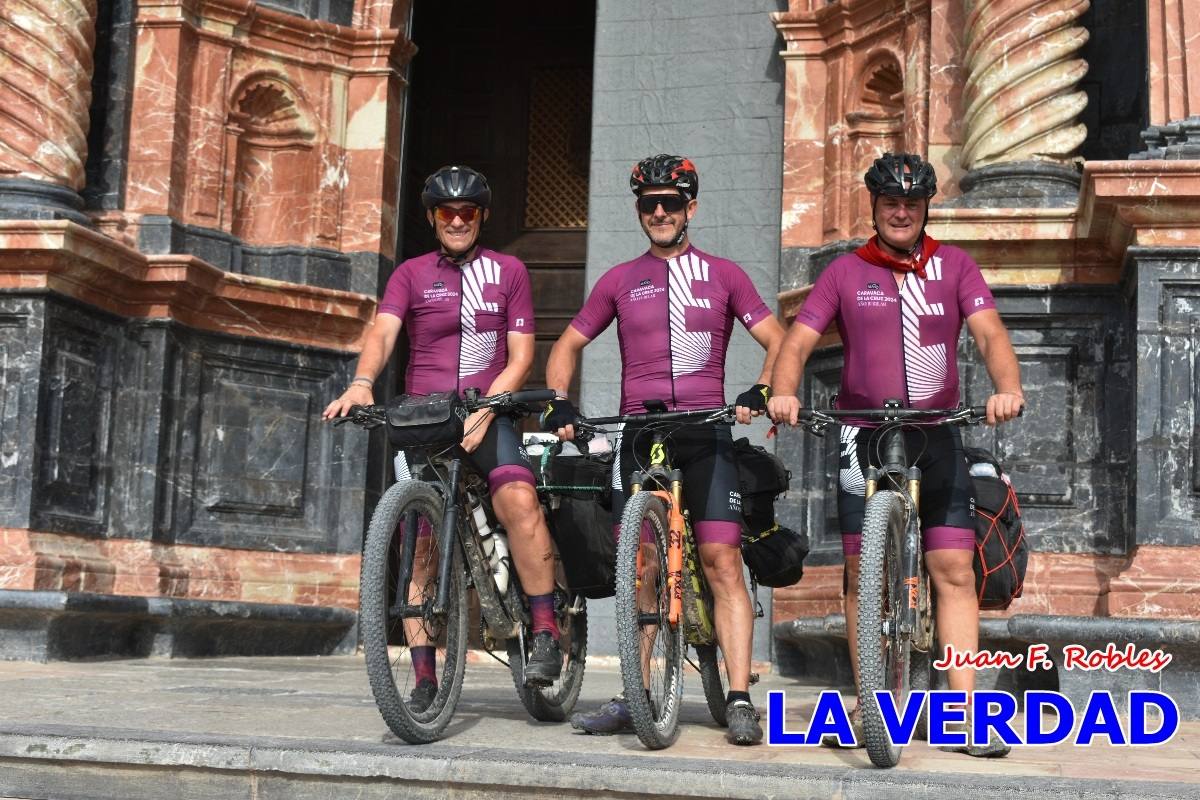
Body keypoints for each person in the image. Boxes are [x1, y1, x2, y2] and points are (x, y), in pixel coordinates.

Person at [766, 152, 1024, 757]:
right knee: (861, 577)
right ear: (875, 207)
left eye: (911, 202)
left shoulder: (955, 266)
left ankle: (963, 713)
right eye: (890, 203)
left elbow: (989, 334)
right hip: (863, 434)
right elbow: (800, 339)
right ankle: (869, 705)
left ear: (925, 207)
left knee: (954, 571)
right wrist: (782, 393)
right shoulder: (845, 272)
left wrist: (1006, 388)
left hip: (936, 433)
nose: (901, 211)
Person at [541, 154, 785, 746]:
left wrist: (763, 387)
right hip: (640, 435)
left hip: (705, 432)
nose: (658, 211)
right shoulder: (621, 280)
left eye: (670, 202)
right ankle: (637, 692)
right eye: (648, 203)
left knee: (723, 561)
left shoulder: (724, 275)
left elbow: (777, 339)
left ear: (689, 208)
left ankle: (740, 696)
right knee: (644, 566)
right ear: (639, 210)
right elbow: (567, 343)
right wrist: (558, 403)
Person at [323, 165, 563, 707]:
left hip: (488, 411)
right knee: (421, 545)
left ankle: (545, 628)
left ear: (481, 217)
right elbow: (383, 332)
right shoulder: (409, 274)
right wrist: (362, 383)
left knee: (519, 500)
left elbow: (522, 356)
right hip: (422, 419)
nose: (458, 221)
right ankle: (426, 679)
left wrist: (488, 408)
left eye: (469, 212)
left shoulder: (509, 271)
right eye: (448, 213)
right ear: (433, 218)